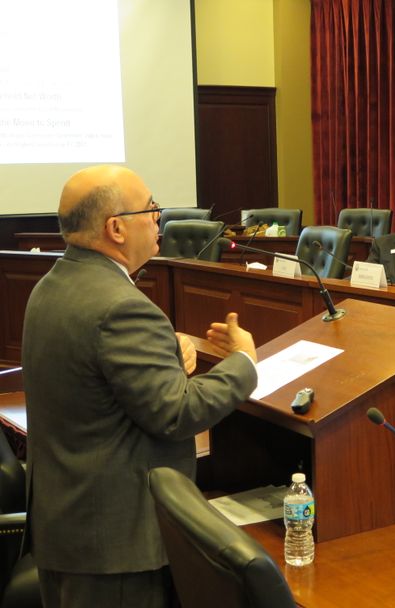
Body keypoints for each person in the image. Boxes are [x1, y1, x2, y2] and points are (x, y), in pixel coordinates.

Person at [22, 165, 259, 607]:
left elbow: (94, 368)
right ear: (115, 228)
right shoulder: (122, 308)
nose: (158, 219)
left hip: (66, 527)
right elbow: (177, 413)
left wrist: (166, 350)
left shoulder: (52, 286)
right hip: (116, 548)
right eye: (151, 208)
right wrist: (244, 361)